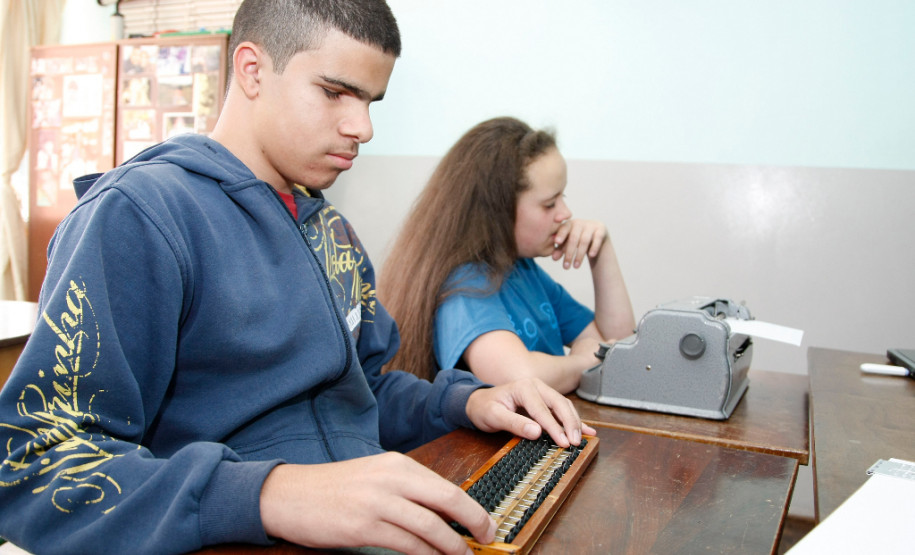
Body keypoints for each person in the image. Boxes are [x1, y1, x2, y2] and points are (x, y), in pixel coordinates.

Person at [0, 3, 595, 555]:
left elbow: (364, 393)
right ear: (253, 70)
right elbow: (28, 465)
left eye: (372, 102)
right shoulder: (141, 216)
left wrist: (468, 401)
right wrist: (271, 494)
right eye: (336, 93)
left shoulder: (329, 230)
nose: (362, 127)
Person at [379, 117, 636, 395]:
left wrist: (602, 251)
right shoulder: (463, 285)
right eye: (550, 204)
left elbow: (619, 349)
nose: (565, 214)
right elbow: (521, 379)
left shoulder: (523, 270)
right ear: (497, 211)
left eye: (563, 197)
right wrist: (585, 360)